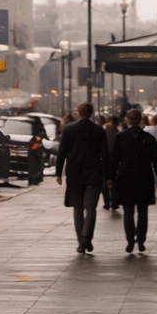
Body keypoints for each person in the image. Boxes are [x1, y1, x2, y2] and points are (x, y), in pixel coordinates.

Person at [55, 101, 111, 254]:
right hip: (94, 173)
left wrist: (59, 172)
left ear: (78, 112)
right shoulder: (98, 130)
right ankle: (87, 237)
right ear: (91, 113)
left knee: (77, 209)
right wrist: (109, 176)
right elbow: (105, 155)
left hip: (74, 173)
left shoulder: (69, 129)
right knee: (91, 208)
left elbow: (62, 152)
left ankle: (81, 241)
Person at [111, 109, 157, 253]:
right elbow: (156, 161)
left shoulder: (120, 137)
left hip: (125, 178)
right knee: (143, 211)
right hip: (144, 178)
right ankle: (141, 240)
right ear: (141, 120)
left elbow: (114, 160)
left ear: (126, 120)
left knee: (128, 212)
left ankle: (130, 240)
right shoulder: (149, 138)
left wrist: (110, 178)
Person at [101, 114, 121, 212]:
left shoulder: (103, 129)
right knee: (114, 180)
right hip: (114, 157)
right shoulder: (118, 131)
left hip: (104, 158)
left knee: (105, 180)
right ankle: (114, 202)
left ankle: (106, 203)